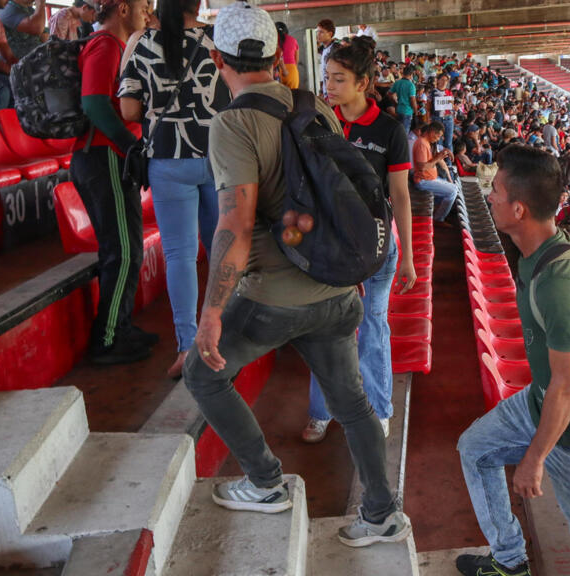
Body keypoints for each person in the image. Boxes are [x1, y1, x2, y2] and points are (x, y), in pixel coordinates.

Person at [183, 1, 409, 546]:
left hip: (273, 300)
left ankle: (265, 481)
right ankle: (381, 513)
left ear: (219, 58)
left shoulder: (233, 123)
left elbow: (235, 225)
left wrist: (211, 312)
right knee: (352, 403)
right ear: (274, 54)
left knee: (202, 373)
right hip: (336, 290)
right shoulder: (316, 107)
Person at [456, 144, 570, 576]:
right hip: (541, 402)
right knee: (475, 449)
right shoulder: (540, 250)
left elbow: (569, 386)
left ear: (519, 208)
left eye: (494, 189)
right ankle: (510, 562)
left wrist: (534, 458)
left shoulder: (559, 283)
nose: (488, 196)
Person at [302, 36, 417, 444]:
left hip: (378, 246)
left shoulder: (389, 131)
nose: (329, 87)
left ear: (364, 83)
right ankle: (321, 411)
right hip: (330, 247)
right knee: (328, 328)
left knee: (373, 326)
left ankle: (379, 409)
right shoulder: (317, 125)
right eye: (327, 78)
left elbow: (400, 195)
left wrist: (408, 257)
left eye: (338, 79)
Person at [118, 0, 230, 377]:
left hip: (168, 158)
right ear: (198, 4)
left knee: (179, 256)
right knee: (222, 250)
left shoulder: (144, 42)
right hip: (219, 158)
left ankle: (187, 348)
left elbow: (129, 111)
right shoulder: (219, 40)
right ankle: (224, 341)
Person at [72, 0, 154, 365]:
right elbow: (94, 104)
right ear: (123, 9)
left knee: (128, 247)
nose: (148, 13)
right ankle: (106, 339)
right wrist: (128, 146)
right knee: (122, 251)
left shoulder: (121, 47)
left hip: (111, 157)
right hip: (103, 157)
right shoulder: (104, 45)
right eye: (143, 6)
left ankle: (119, 326)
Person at [412, 120, 460, 222]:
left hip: (431, 178)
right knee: (453, 191)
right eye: (438, 136)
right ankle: (439, 219)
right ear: (432, 132)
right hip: (423, 181)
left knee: (454, 188)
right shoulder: (421, 143)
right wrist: (438, 158)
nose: (438, 139)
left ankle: (436, 214)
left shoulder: (427, 143)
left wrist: (441, 154)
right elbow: (422, 168)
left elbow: (433, 160)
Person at [429, 73, 455, 151]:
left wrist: (452, 106)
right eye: (442, 80)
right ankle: (440, 161)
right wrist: (428, 118)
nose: (444, 82)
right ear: (438, 80)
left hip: (448, 118)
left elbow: (452, 106)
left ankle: (449, 162)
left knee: (449, 142)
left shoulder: (449, 92)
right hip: (437, 119)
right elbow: (428, 106)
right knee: (438, 142)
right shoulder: (433, 92)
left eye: (446, 80)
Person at [389, 64, 416, 132]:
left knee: (398, 131)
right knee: (404, 133)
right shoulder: (411, 85)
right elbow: (412, 100)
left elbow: (389, 94)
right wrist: (416, 110)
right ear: (411, 74)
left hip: (399, 110)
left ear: (403, 73)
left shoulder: (397, 82)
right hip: (407, 111)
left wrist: (395, 104)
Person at [315, 18, 336, 98]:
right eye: (318, 32)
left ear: (330, 34)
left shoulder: (334, 49)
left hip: (333, 93)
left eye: (321, 32)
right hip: (327, 92)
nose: (318, 35)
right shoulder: (325, 48)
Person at [274, 21, 298, 89]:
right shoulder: (293, 40)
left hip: (277, 72)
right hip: (292, 71)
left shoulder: (274, 40)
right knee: (293, 96)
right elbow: (296, 60)